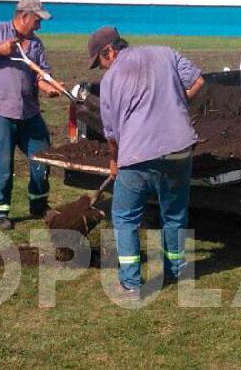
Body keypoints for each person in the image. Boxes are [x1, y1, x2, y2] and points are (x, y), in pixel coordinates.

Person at [87, 26, 205, 300]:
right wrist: (178, 103)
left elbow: (112, 132)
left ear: (109, 51)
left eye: (100, 62)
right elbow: (197, 80)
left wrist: (114, 160)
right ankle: (176, 270)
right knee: (174, 213)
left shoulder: (110, 81)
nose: (102, 69)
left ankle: (131, 283)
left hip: (137, 155)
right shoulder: (164, 53)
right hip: (179, 148)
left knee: (125, 216)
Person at [0, 0, 63, 230]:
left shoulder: (36, 45)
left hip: (29, 111)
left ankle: (39, 204)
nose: (39, 26)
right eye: (37, 20)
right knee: (2, 163)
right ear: (24, 16)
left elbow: (41, 76)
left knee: (43, 155)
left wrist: (50, 88)